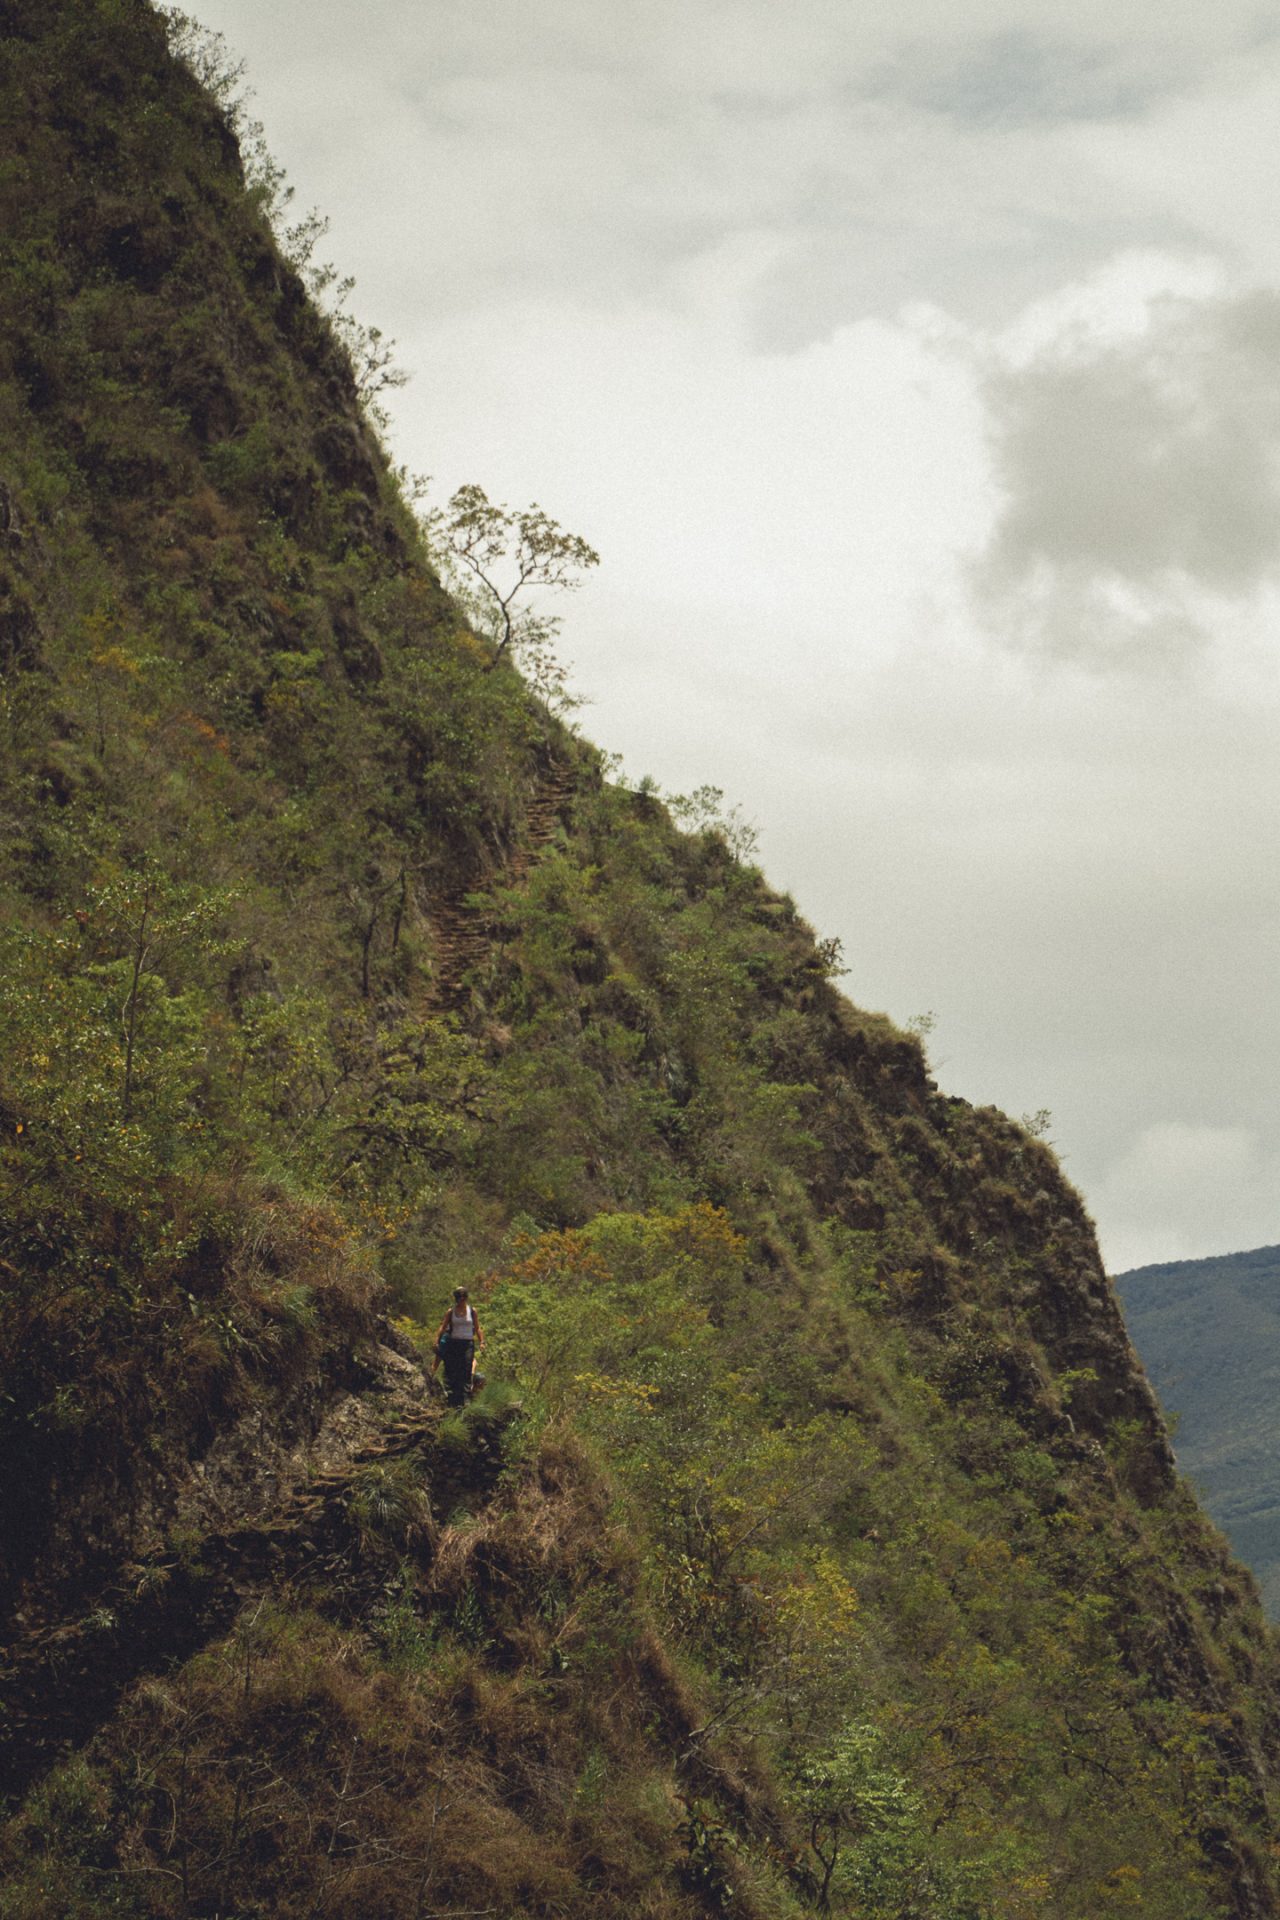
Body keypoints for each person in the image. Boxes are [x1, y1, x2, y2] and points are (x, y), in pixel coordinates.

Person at [432, 1285, 483, 1407]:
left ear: (467, 1297)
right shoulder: (451, 1312)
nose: (462, 1299)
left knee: (467, 1368)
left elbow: (477, 1328)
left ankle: (466, 1397)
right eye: (459, 1297)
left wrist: (482, 1341)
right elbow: (443, 1327)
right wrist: (436, 1340)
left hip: (468, 1343)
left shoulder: (472, 1311)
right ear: (456, 1298)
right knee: (454, 1369)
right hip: (454, 1342)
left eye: (464, 1296)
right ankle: (454, 1397)